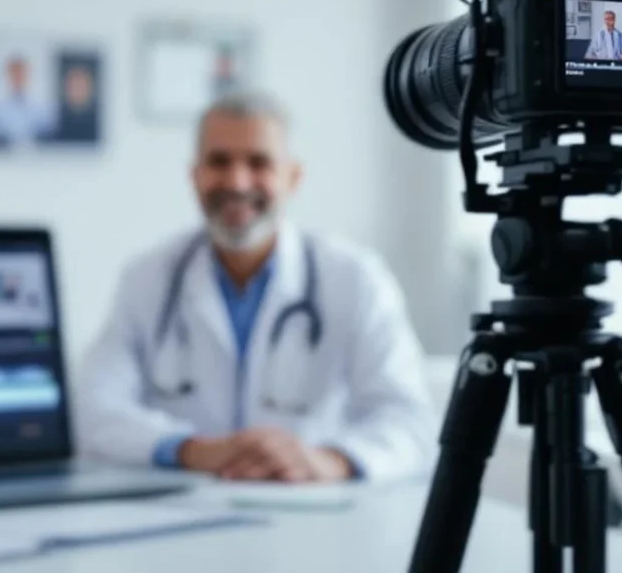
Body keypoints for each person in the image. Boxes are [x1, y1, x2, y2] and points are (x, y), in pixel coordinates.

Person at [75, 91, 438, 483]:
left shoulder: (355, 278)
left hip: (315, 507)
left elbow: (410, 423)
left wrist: (331, 462)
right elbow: (93, 409)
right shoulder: (148, 277)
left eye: (258, 162)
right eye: (219, 162)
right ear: (195, 176)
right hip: (185, 509)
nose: (237, 180)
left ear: (292, 177)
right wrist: (193, 450)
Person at [0, 56, 55, 145]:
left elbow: (47, 134)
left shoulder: (42, 108)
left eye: (21, 74)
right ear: (8, 76)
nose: (18, 78)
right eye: (14, 74)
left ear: (27, 75)